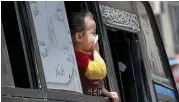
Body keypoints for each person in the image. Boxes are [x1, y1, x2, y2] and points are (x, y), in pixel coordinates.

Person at [69, 11, 119, 101]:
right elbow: (100, 71)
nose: (96, 38)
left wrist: (108, 93)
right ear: (79, 37)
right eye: (93, 33)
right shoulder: (78, 56)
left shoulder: (88, 57)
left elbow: (96, 84)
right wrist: (96, 51)